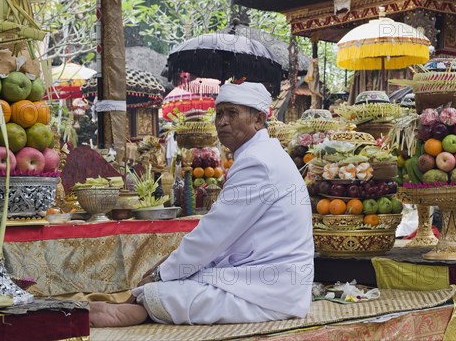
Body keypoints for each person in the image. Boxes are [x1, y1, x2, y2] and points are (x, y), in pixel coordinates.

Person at [90, 82, 314, 327]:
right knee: (183, 276)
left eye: (232, 113)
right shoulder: (261, 155)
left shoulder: (258, 162)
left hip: (270, 290)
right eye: (219, 113)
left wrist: (159, 276)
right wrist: (165, 271)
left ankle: (142, 307)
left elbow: (213, 235)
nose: (222, 122)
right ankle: (142, 303)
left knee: (165, 294)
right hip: (260, 278)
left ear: (259, 120)